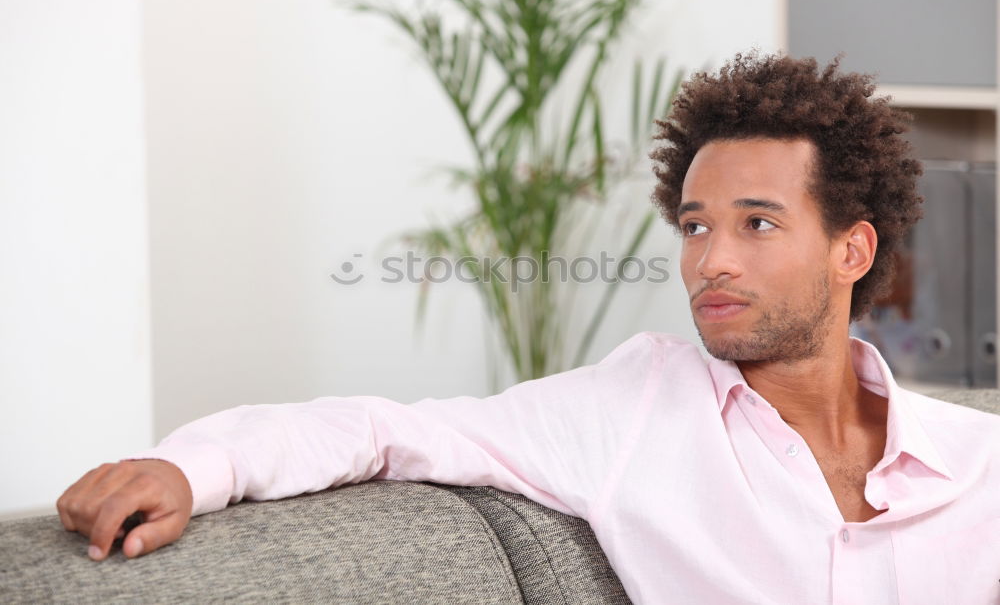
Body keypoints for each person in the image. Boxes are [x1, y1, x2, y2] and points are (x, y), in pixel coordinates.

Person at [57, 51, 1000, 603]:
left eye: (757, 223)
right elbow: (389, 431)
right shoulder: (632, 413)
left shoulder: (980, 466)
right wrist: (193, 467)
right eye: (695, 225)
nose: (711, 259)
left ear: (852, 250)